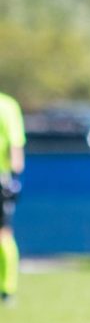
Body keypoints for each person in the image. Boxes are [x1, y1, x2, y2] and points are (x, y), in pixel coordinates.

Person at [0, 91, 26, 305]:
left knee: (3, 235)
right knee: (4, 235)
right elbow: (16, 150)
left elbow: (15, 147)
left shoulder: (6, 105)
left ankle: (8, 289)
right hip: (2, 178)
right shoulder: (7, 105)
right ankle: (8, 290)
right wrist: (14, 177)